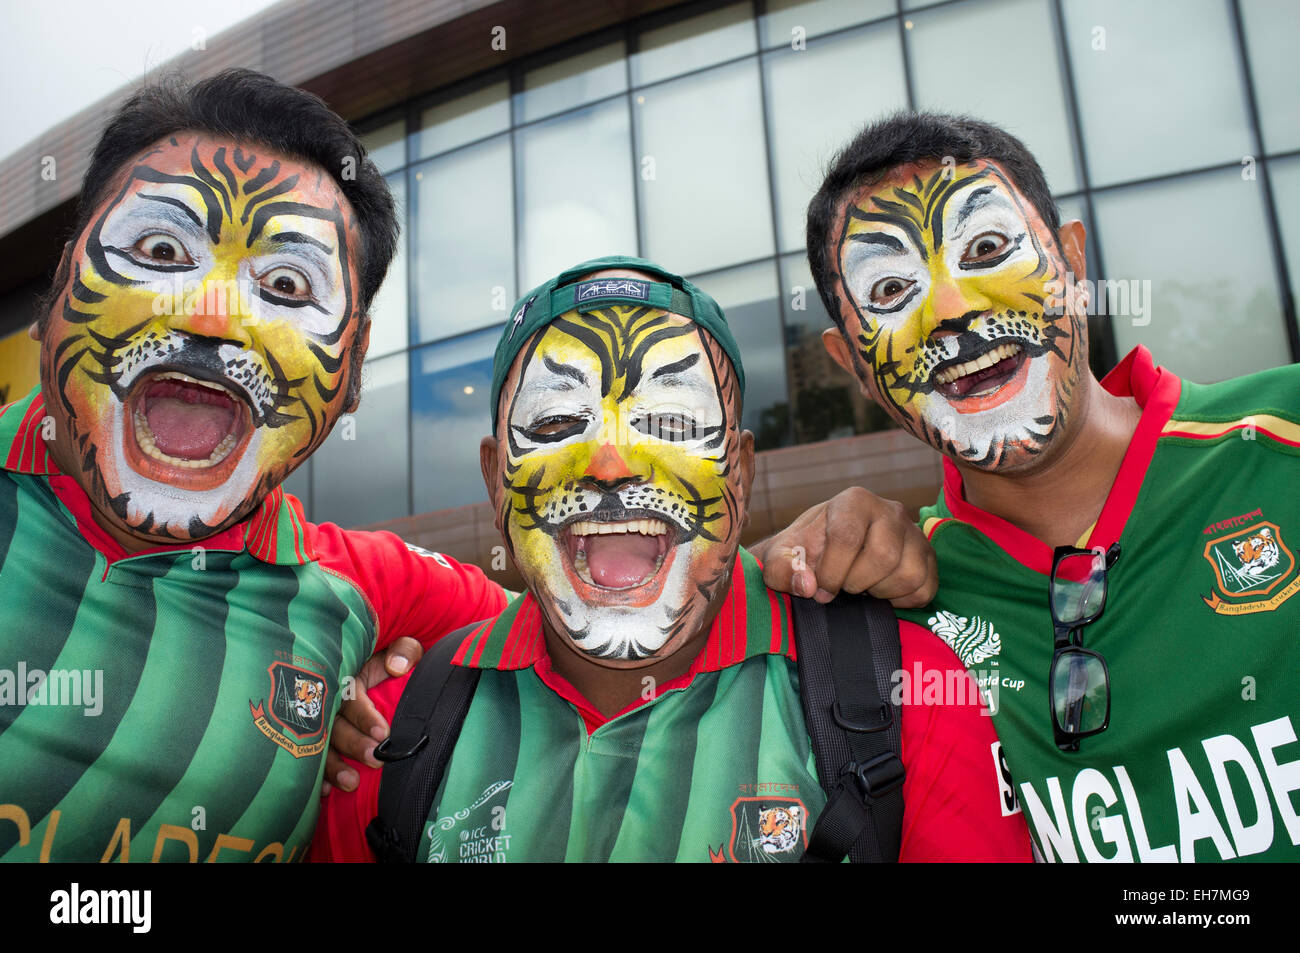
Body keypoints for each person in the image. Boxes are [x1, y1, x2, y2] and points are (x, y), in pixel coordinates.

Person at [0, 69, 934, 862]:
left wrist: (826, 547)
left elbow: (570, 624)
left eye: (286, 286)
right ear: (60, 284)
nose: (211, 316)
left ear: (353, 370)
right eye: (161, 250)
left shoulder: (361, 593)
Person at [310, 256, 1032, 863]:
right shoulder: (395, 730)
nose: (612, 462)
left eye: (673, 422)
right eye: (559, 422)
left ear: (741, 473)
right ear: (496, 478)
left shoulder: (902, 689)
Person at [803, 111, 1300, 862]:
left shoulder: (1283, 440)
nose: (952, 312)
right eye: (893, 289)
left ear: (1071, 260)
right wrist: (792, 564)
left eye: (989, 248)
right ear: (853, 365)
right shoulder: (889, 613)